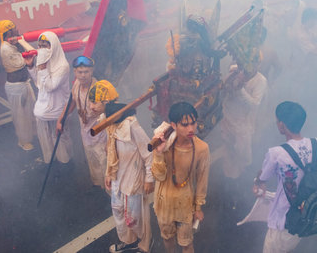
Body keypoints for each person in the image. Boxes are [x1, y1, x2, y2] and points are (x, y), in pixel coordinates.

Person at [253, 101, 317, 253]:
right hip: (311, 212)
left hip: (285, 219)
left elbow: (263, 177)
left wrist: (257, 181)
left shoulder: (277, 153)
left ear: (281, 125)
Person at [88, 80, 154, 253]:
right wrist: (109, 173)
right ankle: (128, 241)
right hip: (117, 176)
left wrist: (149, 179)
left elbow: (149, 153)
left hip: (133, 178)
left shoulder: (130, 124)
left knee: (137, 216)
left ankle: (144, 245)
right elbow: (111, 149)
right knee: (118, 211)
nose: (91, 106)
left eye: (95, 102)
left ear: (106, 103)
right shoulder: (106, 121)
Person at [151, 102, 210, 253]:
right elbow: (158, 175)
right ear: (173, 125)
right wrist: (158, 153)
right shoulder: (164, 143)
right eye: (184, 125)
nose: (190, 129)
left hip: (186, 204)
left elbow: (202, 180)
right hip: (164, 203)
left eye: (193, 123)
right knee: (168, 240)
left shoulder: (202, 148)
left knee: (187, 244)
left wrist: (198, 207)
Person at [56, 56, 107, 188]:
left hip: (100, 133)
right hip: (85, 130)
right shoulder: (77, 85)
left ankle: (109, 189)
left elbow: (109, 112)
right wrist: (61, 120)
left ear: (92, 71)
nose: (83, 75)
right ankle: (98, 185)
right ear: (75, 72)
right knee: (92, 159)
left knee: (104, 160)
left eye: (86, 72)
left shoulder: (99, 89)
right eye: (80, 72)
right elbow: (72, 102)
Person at [219, 48, 267, 179]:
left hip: (243, 122)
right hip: (227, 116)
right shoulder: (235, 70)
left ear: (258, 64)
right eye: (248, 62)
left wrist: (241, 90)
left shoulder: (261, 81)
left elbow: (255, 103)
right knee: (228, 146)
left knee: (243, 153)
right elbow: (223, 87)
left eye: (254, 63)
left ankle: (243, 176)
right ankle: (229, 177)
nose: (250, 66)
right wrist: (233, 77)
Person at [26, 31, 72, 165]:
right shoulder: (43, 63)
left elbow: (51, 86)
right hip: (42, 110)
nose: (42, 50)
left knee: (60, 139)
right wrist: (31, 66)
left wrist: (41, 66)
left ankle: (66, 164)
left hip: (57, 112)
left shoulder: (62, 66)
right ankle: (52, 163)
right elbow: (40, 84)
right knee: (45, 139)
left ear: (54, 46)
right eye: (40, 46)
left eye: (46, 46)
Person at [0, 20, 36, 150]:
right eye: (14, 29)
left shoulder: (10, 44)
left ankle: (31, 134)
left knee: (31, 110)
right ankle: (23, 140)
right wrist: (21, 42)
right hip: (15, 87)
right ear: (8, 32)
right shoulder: (6, 49)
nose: (16, 30)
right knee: (20, 115)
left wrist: (18, 42)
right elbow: (24, 61)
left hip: (24, 83)